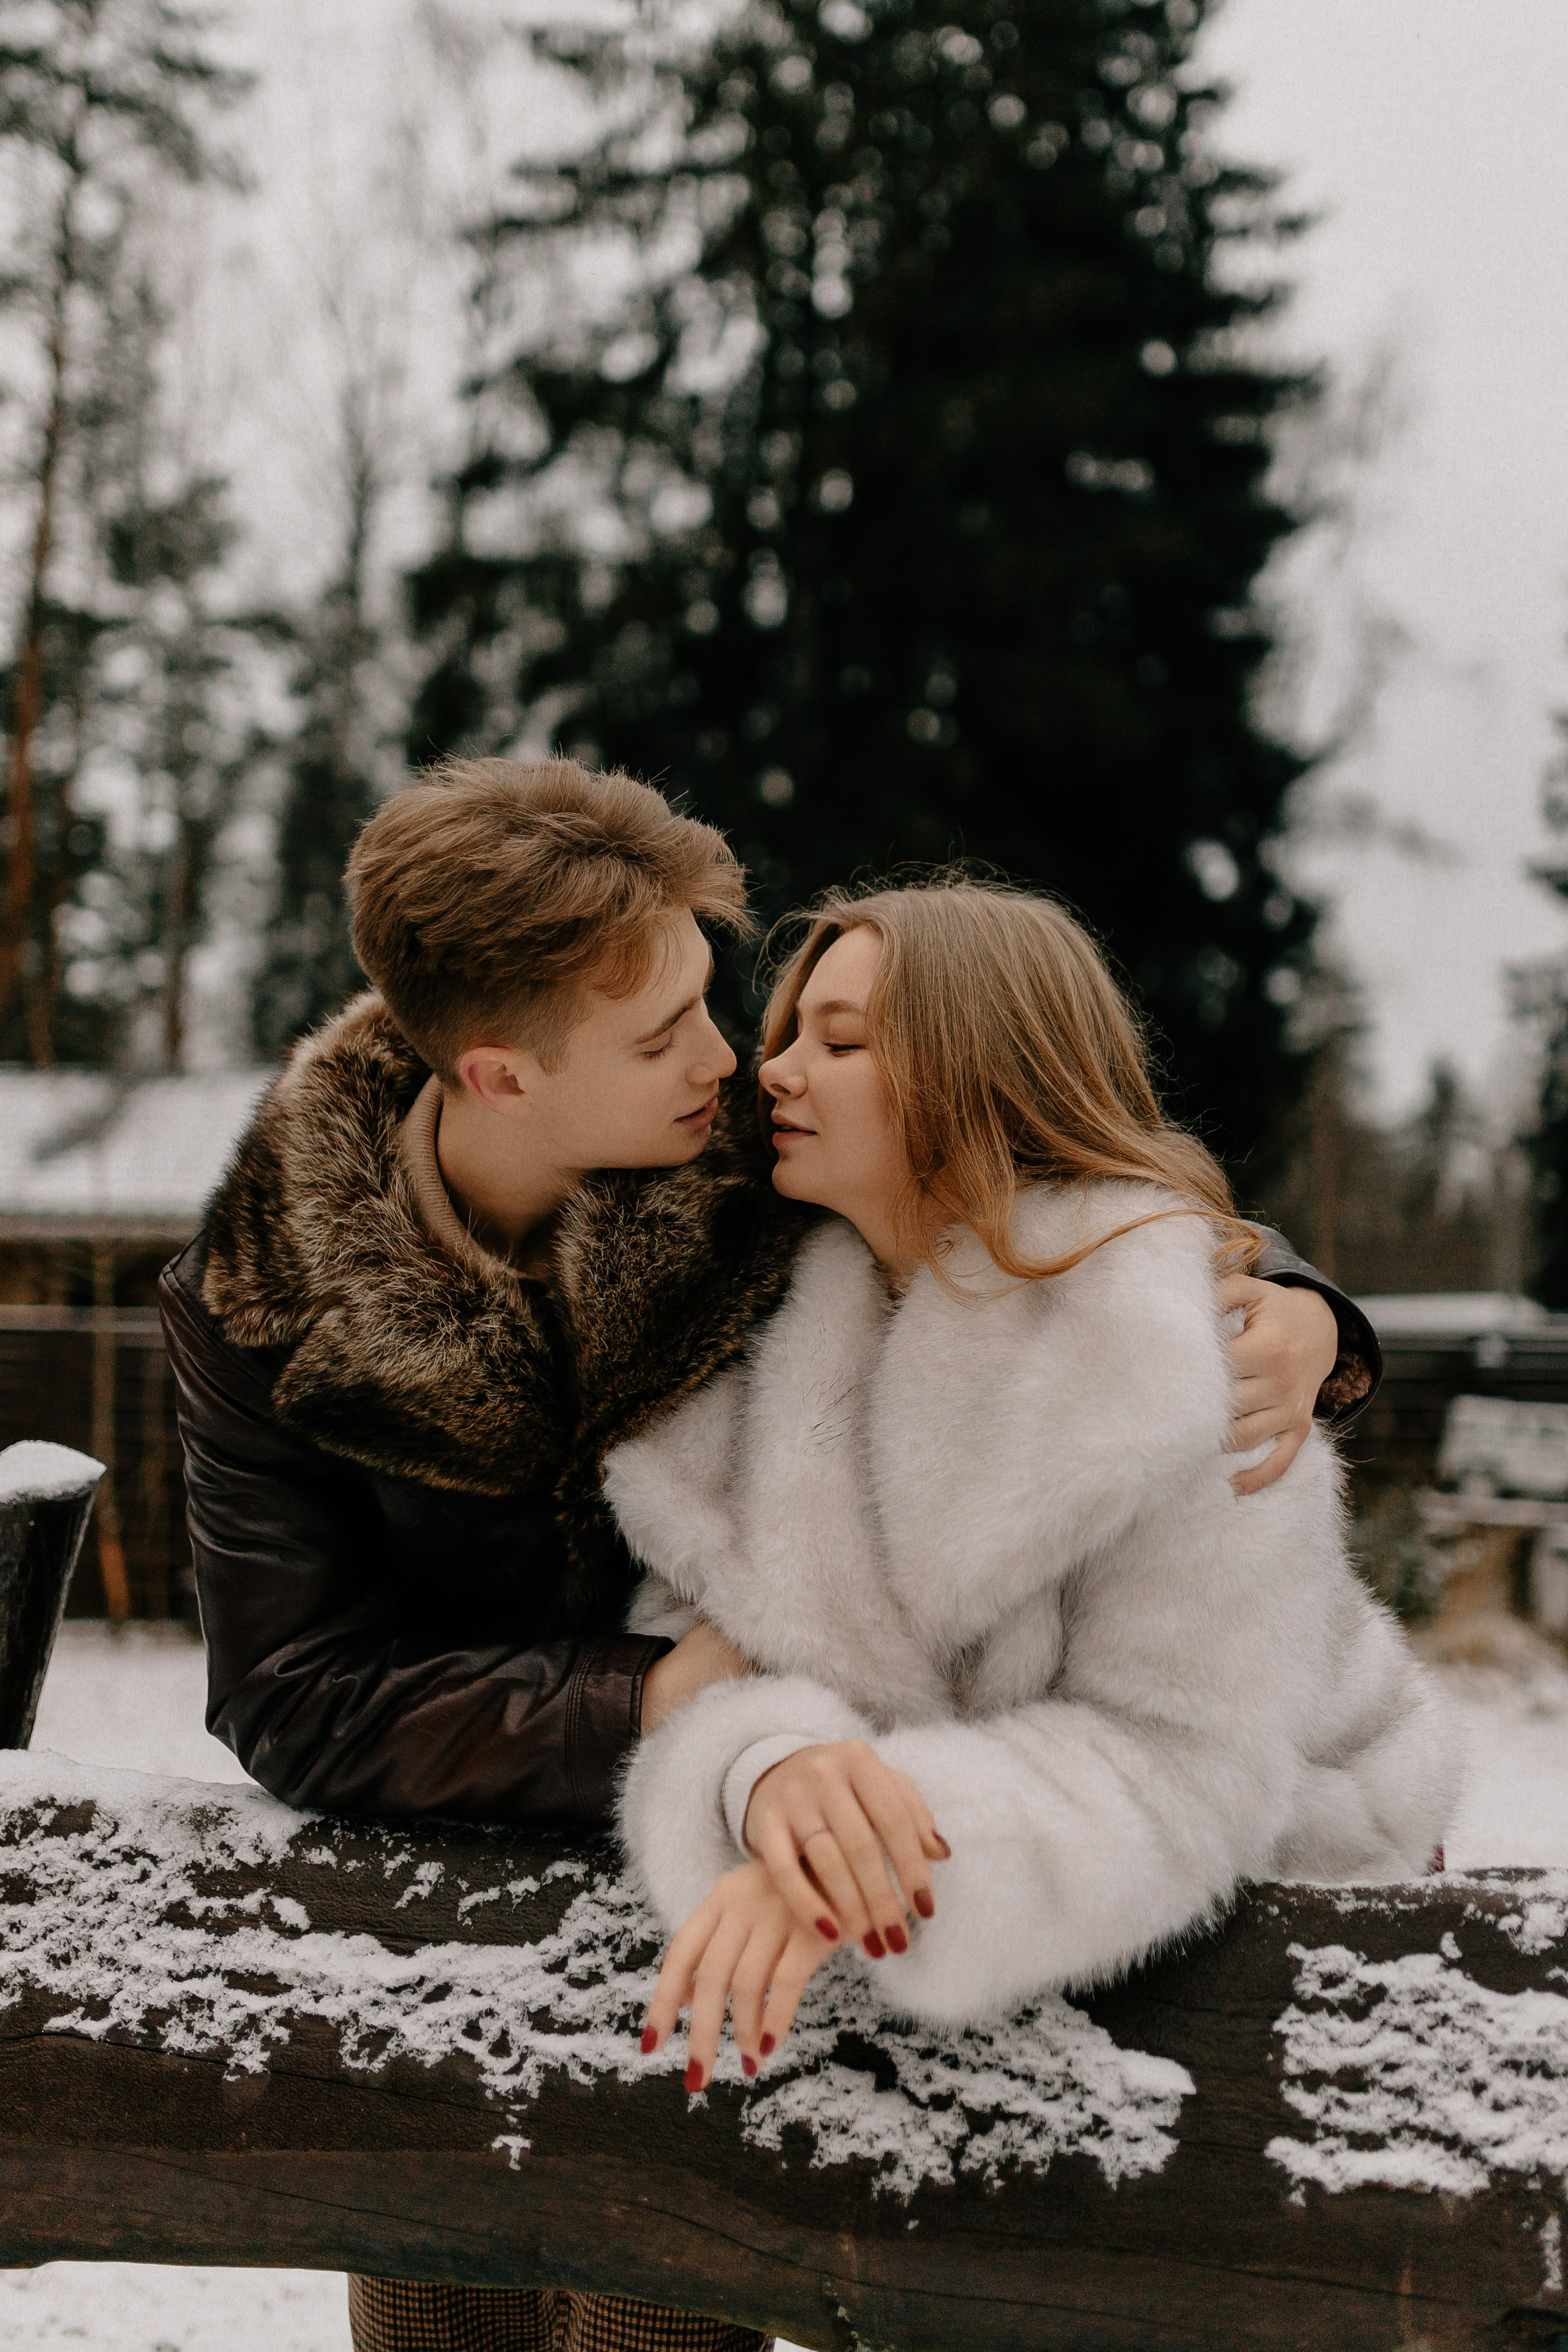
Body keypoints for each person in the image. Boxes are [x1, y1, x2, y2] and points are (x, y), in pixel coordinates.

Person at [159, 763, 1379, 2352]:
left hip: (782, 1879)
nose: (735, 1062)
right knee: (444, 2282)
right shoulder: (265, 1310)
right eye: (670, 1034)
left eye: (719, 1009)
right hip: (489, 1873)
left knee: (666, 2282)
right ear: (500, 1076)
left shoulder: (741, 1152)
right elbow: (304, 1693)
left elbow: (1038, 1165)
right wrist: (664, 1701)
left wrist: (1296, 1312)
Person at [613, 881, 1458, 2089]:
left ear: (978, 1075)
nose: (774, 1072)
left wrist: (884, 1862)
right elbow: (699, 1663)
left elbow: (1179, 1769)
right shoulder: (753, 1348)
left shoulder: (1186, 1351)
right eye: (790, 1034)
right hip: (986, 1978)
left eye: (839, 1042)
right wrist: (769, 1783)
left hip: (1296, 1958)